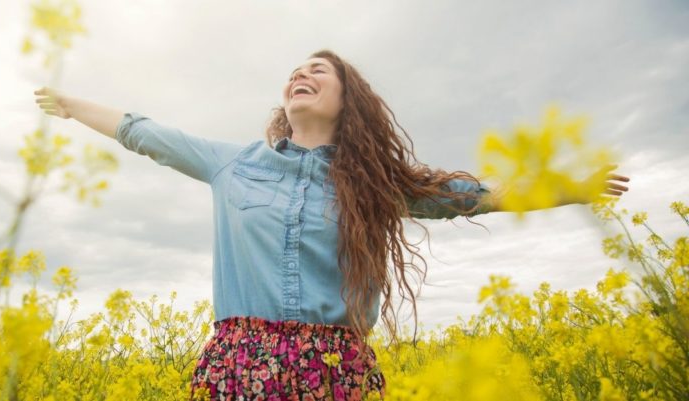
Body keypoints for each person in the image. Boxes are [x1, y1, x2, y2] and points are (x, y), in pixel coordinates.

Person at [33, 49, 629, 401]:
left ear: (348, 98)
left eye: (320, 69)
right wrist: (71, 104)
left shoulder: (376, 184)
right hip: (239, 366)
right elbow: (144, 133)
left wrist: (570, 187)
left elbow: (481, 197)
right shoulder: (232, 165)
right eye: (296, 69)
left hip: (337, 369)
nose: (303, 73)